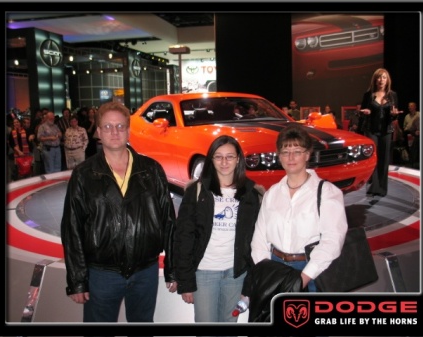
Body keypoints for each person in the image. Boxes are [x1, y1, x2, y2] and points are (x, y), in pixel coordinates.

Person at [60, 102, 177, 326]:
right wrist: (77, 280)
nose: (114, 132)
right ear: (98, 132)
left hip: (145, 272)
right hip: (102, 274)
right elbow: (72, 228)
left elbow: (169, 221)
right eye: (108, 126)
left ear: (128, 130)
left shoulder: (151, 170)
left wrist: (173, 269)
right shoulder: (84, 174)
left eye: (120, 126)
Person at [174, 135, 264, 325]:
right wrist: (186, 282)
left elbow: (254, 241)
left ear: (238, 159)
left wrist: (248, 284)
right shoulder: (197, 191)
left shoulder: (251, 193)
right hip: (204, 272)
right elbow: (183, 237)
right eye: (218, 156)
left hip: (235, 274)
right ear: (211, 159)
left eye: (230, 156)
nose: (224, 162)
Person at [250, 123, 347, 293]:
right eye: (285, 152)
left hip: (311, 271)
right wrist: (265, 270)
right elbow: (259, 237)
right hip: (275, 267)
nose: (291, 157)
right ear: (279, 156)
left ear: (308, 154)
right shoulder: (272, 193)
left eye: (297, 151)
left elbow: (333, 240)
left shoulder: (327, 192)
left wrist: (304, 278)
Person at [360, 68, 401, 197]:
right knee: (374, 158)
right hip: (371, 130)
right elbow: (362, 112)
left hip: (386, 131)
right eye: (379, 77)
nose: (381, 80)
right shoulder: (368, 95)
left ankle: (382, 188)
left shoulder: (392, 95)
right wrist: (366, 113)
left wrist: (394, 115)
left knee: (384, 160)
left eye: (383, 77)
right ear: (375, 80)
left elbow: (394, 115)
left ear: (387, 80)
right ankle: (373, 187)